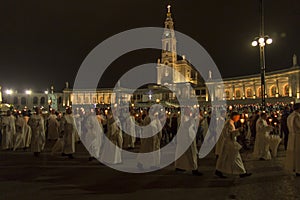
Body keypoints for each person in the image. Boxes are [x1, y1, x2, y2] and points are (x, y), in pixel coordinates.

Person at [215, 112, 252, 178]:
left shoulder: (230, 123)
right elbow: (229, 134)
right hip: (229, 144)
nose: (238, 119)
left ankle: (218, 170)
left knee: (224, 158)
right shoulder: (229, 124)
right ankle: (242, 172)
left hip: (228, 143)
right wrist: (238, 130)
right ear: (234, 116)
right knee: (235, 158)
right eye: (237, 117)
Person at [175, 108, 202, 176]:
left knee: (186, 153)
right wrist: (192, 119)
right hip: (186, 138)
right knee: (191, 153)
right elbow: (186, 125)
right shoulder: (183, 118)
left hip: (189, 137)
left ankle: (181, 166)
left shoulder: (188, 117)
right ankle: (194, 168)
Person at [285, 103, 300, 176]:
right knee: (298, 153)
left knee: (294, 153)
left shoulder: (290, 116)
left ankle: (295, 168)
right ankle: (298, 169)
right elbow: (299, 126)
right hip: (298, 136)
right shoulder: (297, 116)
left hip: (292, 136)